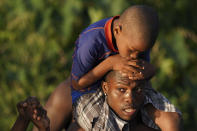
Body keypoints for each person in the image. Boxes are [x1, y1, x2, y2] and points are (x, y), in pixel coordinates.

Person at [40, 5, 181, 131]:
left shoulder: (138, 39)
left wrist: (150, 70)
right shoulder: (91, 41)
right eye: (132, 51)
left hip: (129, 87)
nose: (134, 57)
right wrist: (111, 63)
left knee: (169, 119)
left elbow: (144, 74)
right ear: (117, 31)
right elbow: (77, 83)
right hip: (88, 89)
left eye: (139, 53)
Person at [69, 70, 177, 130]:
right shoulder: (91, 119)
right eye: (121, 89)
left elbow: (173, 119)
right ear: (106, 88)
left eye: (137, 89)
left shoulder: (153, 109)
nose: (130, 98)